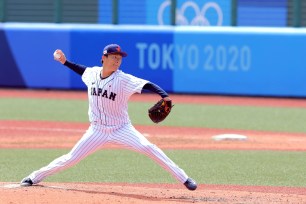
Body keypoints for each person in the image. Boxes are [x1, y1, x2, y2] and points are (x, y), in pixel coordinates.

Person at [20, 44, 197, 191]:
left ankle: (185, 178)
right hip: (96, 130)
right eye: (114, 56)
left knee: (149, 148)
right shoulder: (92, 73)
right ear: (104, 58)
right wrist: (64, 61)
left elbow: (147, 84)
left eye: (120, 57)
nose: (118, 59)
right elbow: (81, 70)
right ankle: (34, 177)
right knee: (70, 158)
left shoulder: (123, 79)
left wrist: (164, 96)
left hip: (121, 129)